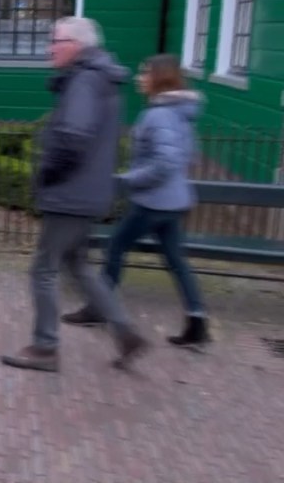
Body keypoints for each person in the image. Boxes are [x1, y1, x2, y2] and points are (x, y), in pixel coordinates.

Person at [0, 16, 149, 373]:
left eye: (56, 41)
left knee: (44, 270)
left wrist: (47, 173)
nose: (50, 48)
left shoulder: (85, 80)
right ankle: (125, 332)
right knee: (78, 265)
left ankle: (45, 347)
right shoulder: (99, 79)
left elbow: (73, 137)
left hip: (70, 194)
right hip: (86, 193)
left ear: (76, 45)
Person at [62, 54, 209, 348]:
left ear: (159, 78)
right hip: (174, 202)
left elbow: (165, 161)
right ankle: (197, 322)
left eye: (145, 73)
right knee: (176, 260)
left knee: (116, 246)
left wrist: (129, 178)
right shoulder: (181, 112)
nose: (140, 78)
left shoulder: (160, 115)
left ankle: (99, 308)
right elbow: (190, 154)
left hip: (154, 203)